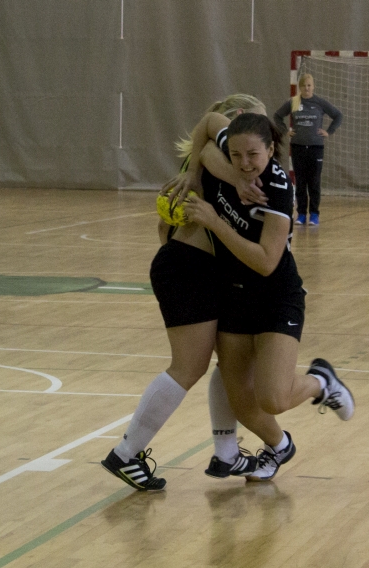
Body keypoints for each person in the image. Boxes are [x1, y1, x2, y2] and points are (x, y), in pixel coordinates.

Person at [101, 94, 275, 491]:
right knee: (188, 367)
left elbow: (163, 228)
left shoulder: (206, 158)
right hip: (188, 268)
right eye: (257, 125)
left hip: (196, 268)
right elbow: (211, 121)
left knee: (230, 361)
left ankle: (227, 453)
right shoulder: (218, 153)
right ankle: (125, 454)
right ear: (240, 119)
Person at [181, 112, 354, 481]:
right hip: (233, 296)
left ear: (271, 150)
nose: (244, 163)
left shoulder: (277, 188)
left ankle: (321, 382)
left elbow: (265, 262)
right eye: (236, 155)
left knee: (272, 399)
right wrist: (195, 173)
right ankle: (279, 447)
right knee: (241, 402)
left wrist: (214, 221)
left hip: (276, 295)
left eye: (253, 156)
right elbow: (209, 122)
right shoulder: (231, 159)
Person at [273, 74, 342, 226]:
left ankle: (315, 214)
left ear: (313, 86)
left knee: (314, 182)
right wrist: (285, 131)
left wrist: (328, 132)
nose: (307, 88)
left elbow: (338, 116)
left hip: (316, 148)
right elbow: (277, 116)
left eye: (309, 85)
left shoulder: (319, 103)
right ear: (300, 87)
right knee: (301, 181)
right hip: (298, 147)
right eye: (304, 85)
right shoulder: (294, 102)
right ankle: (302, 214)